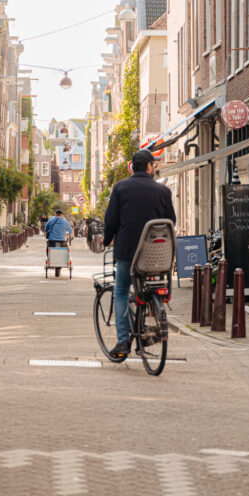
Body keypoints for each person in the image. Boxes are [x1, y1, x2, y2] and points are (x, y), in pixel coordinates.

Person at [102, 150, 176, 360]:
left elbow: (111, 220)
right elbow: (171, 220)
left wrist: (107, 240)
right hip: (156, 256)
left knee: (122, 290)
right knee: (147, 286)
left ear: (133, 167)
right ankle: (149, 312)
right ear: (149, 167)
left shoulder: (121, 188)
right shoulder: (162, 191)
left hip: (128, 253)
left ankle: (123, 340)